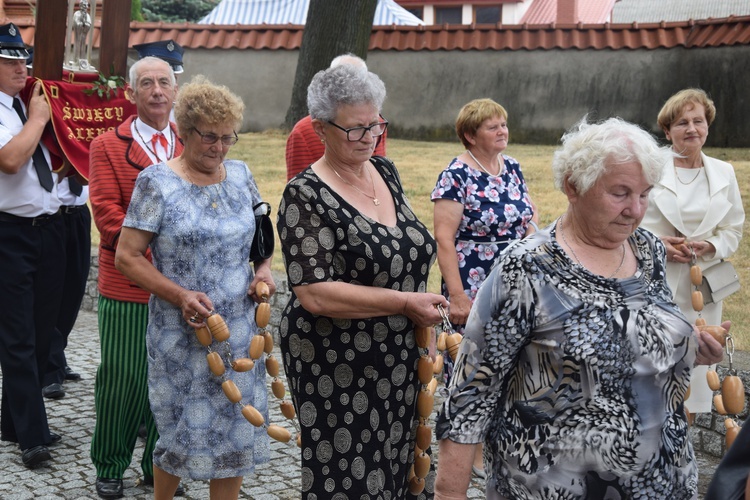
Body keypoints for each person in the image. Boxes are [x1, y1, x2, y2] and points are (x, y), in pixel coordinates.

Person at [433, 117, 727, 499]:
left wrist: (689, 348)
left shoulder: (648, 250)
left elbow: (636, 341)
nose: (635, 210)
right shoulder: (526, 267)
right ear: (574, 186)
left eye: (644, 193)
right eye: (620, 193)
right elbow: (473, 392)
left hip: (661, 485)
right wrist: (448, 493)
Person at [277, 63, 447, 498]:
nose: (370, 137)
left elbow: (408, 254)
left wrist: (420, 326)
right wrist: (406, 304)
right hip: (335, 358)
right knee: (350, 476)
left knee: (400, 466)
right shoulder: (304, 194)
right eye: (355, 129)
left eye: (376, 124)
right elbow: (314, 293)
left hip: (400, 352)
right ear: (319, 128)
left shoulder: (385, 173)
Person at [115, 75, 273, 500]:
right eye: (209, 137)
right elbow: (126, 256)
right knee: (179, 429)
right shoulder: (157, 182)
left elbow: (261, 238)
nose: (219, 148)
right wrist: (180, 294)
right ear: (184, 131)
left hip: (238, 327)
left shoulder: (241, 175)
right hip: (180, 333)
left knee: (237, 423)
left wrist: (264, 270)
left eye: (227, 138)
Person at [88, 56, 183, 499]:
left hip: (181, 287)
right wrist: (151, 249)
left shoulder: (192, 142)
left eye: (165, 82)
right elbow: (106, 212)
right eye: (147, 83)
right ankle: (109, 464)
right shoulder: (108, 145)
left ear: (176, 90)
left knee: (172, 379)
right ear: (131, 94)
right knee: (123, 377)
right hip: (128, 283)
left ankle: (158, 469)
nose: (158, 91)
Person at [431, 98, 537, 478]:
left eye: (503, 124)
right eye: (492, 126)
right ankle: (468, 449)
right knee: (473, 369)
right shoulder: (455, 176)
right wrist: (457, 296)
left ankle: (501, 440)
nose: (502, 130)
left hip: (516, 281)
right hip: (473, 281)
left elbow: (529, 218)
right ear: (469, 136)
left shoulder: (513, 168)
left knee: (513, 363)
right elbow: (444, 239)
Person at [641, 88, 744, 415]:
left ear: (708, 126)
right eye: (681, 122)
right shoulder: (650, 167)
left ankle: (685, 437)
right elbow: (627, 223)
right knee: (656, 366)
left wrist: (712, 245)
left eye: (698, 121)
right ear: (667, 130)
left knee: (699, 374)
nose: (691, 129)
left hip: (704, 288)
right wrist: (659, 246)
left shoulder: (723, 172)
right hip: (657, 282)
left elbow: (733, 228)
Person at [0, 22, 65, 469]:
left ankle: (11, 422)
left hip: (46, 228)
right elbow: (9, 160)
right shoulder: (20, 112)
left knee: (43, 331)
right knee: (18, 336)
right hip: (8, 232)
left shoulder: (22, 106)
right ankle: (32, 436)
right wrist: (40, 119)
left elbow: (43, 166)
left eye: (21, 58)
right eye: (7, 60)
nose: (19, 66)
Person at [284, 53, 387, 181]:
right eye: (355, 128)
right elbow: (299, 184)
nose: (369, 139)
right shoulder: (303, 132)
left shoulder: (378, 125)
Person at [41, 173, 90, 400]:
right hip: (51, 215)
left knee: (74, 290)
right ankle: (50, 370)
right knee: (51, 294)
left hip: (79, 214)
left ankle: (56, 355)